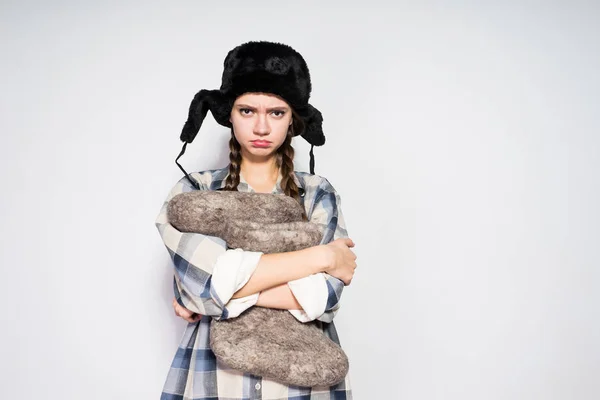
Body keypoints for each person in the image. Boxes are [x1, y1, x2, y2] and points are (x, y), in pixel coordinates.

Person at [155, 40, 357, 400]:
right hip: (215, 376)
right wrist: (320, 258)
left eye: (276, 113)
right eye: (247, 111)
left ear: (293, 118)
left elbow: (324, 295)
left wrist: (226, 289)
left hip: (303, 379)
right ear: (229, 114)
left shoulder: (316, 193)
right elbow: (204, 285)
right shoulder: (194, 190)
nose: (261, 127)